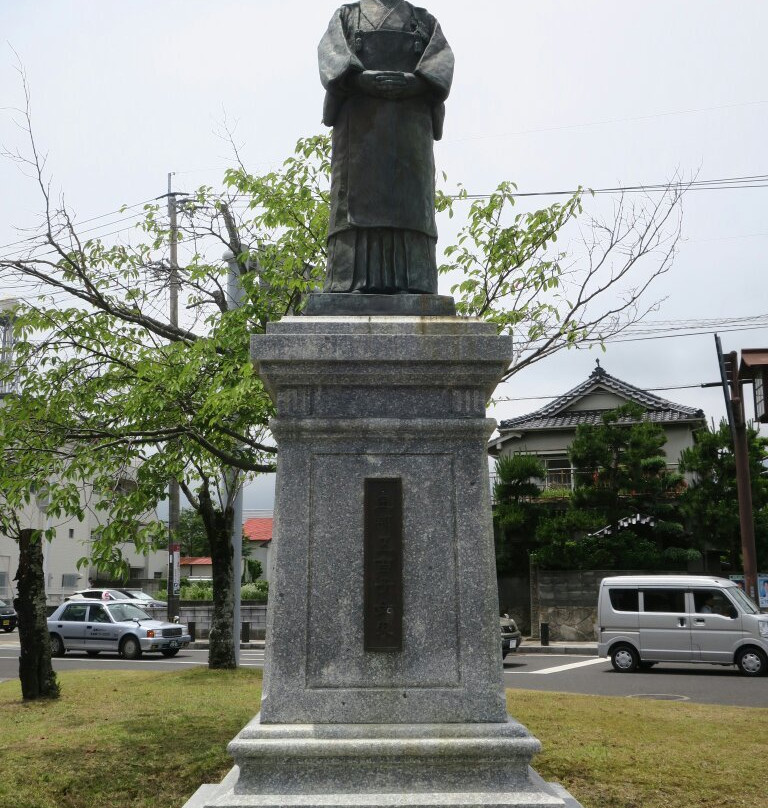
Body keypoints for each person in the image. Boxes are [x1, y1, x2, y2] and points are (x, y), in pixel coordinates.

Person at [318, 0, 454, 294]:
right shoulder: (348, 16)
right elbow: (332, 61)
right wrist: (361, 80)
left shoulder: (423, 21)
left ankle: (414, 282)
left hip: (410, 132)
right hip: (359, 132)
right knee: (352, 206)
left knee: (412, 204)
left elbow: (440, 67)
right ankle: (348, 282)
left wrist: (415, 84)